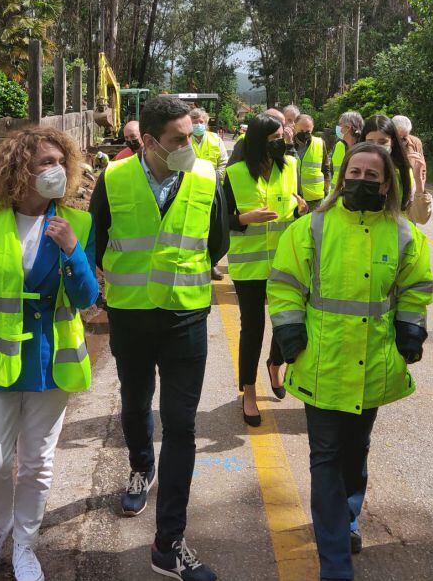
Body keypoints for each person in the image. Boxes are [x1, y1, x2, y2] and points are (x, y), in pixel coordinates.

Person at [268, 142, 433, 581]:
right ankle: (335, 562)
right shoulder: (312, 227)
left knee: (355, 452)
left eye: (371, 175)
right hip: (321, 361)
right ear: (342, 177)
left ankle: (349, 515)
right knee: (324, 458)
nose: (361, 180)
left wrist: (410, 330)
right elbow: (284, 284)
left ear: (387, 184)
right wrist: (289, 335)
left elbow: (416, 287)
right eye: (353, 172)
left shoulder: (403, 234)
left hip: (373, 364)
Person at [0, 126, 98, 581]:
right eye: (43, 163)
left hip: (52, 363)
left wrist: (72, 251)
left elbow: (86, 297)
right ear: (17, 171)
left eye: (59, 162)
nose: (55, 171)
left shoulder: (78, 223)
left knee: (37, 464)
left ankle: (26, 544)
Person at [89, 96, 229, 581]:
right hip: (130, 318)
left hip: (185, 319)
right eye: (178, 140)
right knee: (134, 404)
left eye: (191, 136)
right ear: (149, 142)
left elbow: (218, 242)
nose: (188, 146)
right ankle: (139, 467)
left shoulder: (209, 177)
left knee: (182, 426)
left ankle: (168, 542)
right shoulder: (113, 179)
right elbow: (96, 241)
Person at [224, 113, 306, 427]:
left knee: (286, 320)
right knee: (253, 327)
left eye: (280, 139)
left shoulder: (291, 168)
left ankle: (275, 364)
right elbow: (222, 220)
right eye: (272, 141)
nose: (279, 145)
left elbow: (294, 210)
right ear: (258, 142)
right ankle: (248, 391)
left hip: (286, 263)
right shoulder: (234, 174)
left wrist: (301, 211)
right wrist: (245, 219)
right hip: (250, 266)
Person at [360, 115, 431, 225]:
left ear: (392, 141)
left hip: (397, 235)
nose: (376, 147)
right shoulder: (355, 169)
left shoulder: (404, 172)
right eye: (370, 141)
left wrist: (419, 185)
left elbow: (420, 218)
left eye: (382, 142)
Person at [189, 107, 229, 281]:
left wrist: (212, 178)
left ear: (206, 123)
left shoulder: (215, 139)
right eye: (194, 122)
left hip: (213, 189)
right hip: (189, 190)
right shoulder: (184, 140)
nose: (198, 125)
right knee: (193, 229)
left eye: (201, 122)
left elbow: (223, 163)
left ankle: (212, 263)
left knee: (213, 229)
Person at [294, 114, 329, 211]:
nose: (304, 133)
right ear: (294, 126)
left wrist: (326, 190)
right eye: (301, 131)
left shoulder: (320, 143)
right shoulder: (287, 144)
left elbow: (326, 169)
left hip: (314, 199)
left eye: (308, 131)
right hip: (293, 197)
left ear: (312, 128)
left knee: (314, 225)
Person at [330, 111, 364, 190]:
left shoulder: (363, 149)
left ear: (348, 128)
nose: (338, 127)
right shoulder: (338, 145)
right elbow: (332, 171)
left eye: (340, 124)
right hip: (335, 197)